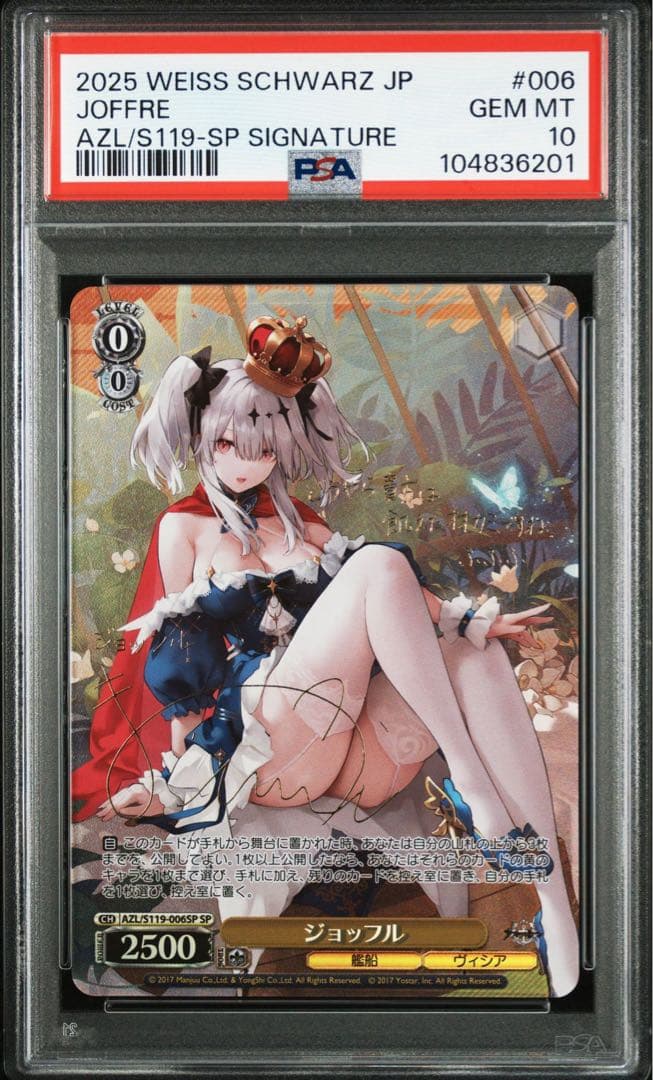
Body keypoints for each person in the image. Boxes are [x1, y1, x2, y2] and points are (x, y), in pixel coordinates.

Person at [72, 314, 578, 996]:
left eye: (264, 448)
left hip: (347, 746)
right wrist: (178, 783)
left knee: (476, 654)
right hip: (271, 742)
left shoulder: (303, 524)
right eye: (228, 443)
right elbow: (175, 651)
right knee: (376, 565)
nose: (245, 462)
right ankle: (471, 781)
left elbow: (392, 601)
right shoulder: (183, 527)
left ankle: (554, 914)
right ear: (200, 436)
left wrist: (467, 621)